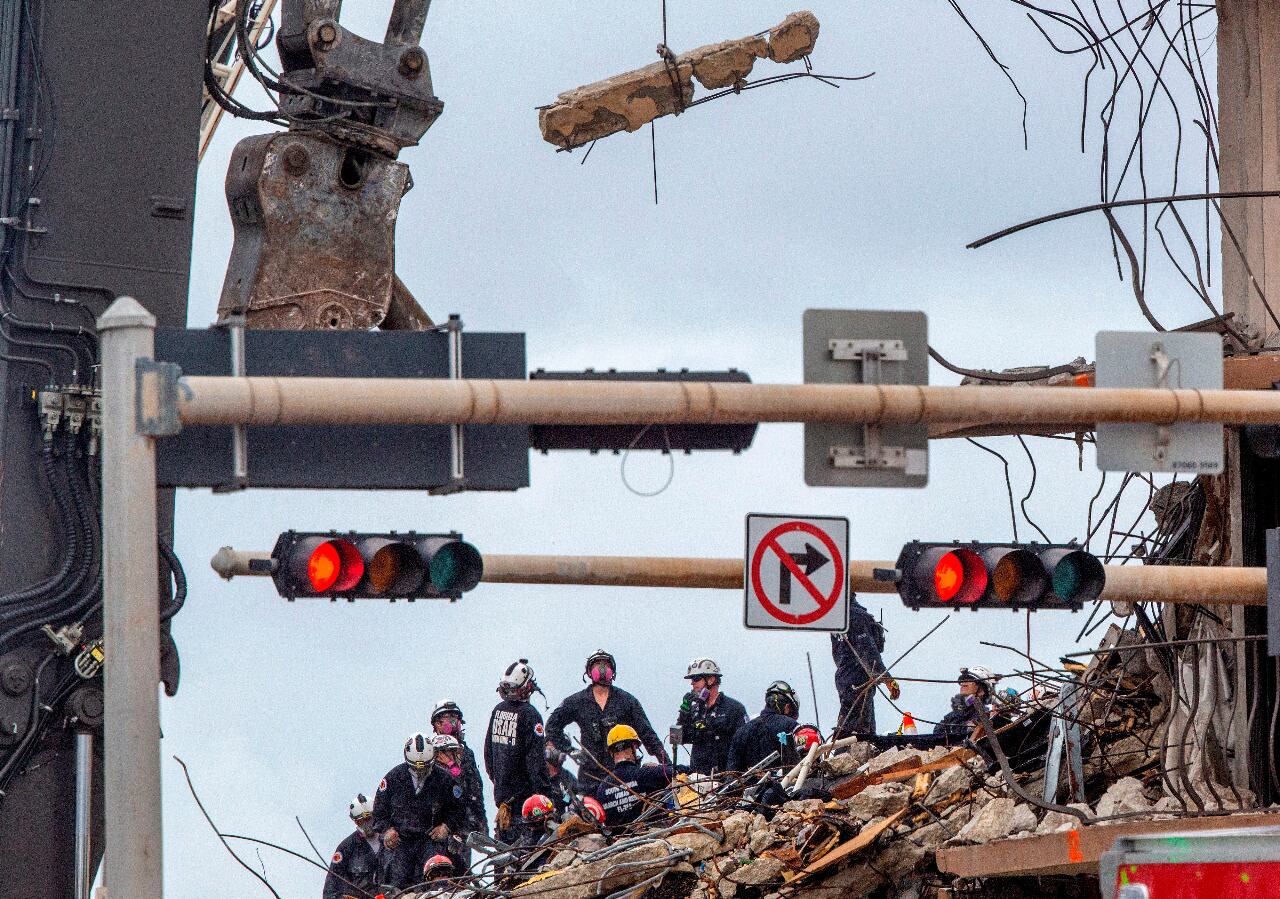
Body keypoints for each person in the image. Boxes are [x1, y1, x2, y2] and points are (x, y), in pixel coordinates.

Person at [546, 650, 668, 791]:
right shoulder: (577, 702)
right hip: (590, 777)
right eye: (597, 664)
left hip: (622, 775)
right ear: (589, 671)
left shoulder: (627, 701)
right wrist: (571, 750)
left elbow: (648, 735)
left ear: (613, 670)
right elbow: (552, 726)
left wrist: (667, 765)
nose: (602, 668)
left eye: (606, 664)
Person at [371, 732, 467, 889]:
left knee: (434, 883)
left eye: (426, 766)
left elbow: (458, 809)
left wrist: (446, 826)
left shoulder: (444, 779)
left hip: (430, 841)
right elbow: (379, 811)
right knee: (395, 885)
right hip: (400, 842)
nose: (420, 771)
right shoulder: (393, 778)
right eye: (415, 767)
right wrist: (387, 830)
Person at [485, 659, 559, 846]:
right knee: (530, 860)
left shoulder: (497, 711)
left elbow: (489, 757)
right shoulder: (530, 715)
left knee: (506, 862)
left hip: (504, 808)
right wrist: (545, 797)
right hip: (527, 810)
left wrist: (502, 787)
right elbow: (536, 762)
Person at [831, 599, 899, 738]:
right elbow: (867, 651)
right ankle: (845, 754)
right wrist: (888, 679)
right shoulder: (856, 616)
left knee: (859, 728)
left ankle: (851, 752)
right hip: (857, 678)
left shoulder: (838, 618)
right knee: (857, 732)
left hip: (846, 676)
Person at [674, 658, 748, 775]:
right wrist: (684, 713)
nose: (692, 683)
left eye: (696, 679)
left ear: (711, 679)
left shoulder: (734, 708)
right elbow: (677, 739)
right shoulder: (694, 709)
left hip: (725, 777)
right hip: (698, 778)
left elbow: (744, 744)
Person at [595, 724, 676, 827]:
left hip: (619, 840)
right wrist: (660, 767)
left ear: (611, 753)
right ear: (633, 747)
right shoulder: (646, 774)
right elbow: (681, 771)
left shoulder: (602, 788)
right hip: (652, 837)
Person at [431, 700, 488, 840]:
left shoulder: (466, 753)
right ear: (436, 724)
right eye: (449, 718)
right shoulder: (430, 753)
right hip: (438, 826)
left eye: (456, 718)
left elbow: (474, 789)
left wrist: (481, 823)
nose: (454, 723)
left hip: (463, 827)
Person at [323, 793, 393, 899]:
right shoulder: (346, 848)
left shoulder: (393, 837)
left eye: (369, 818)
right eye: (361, 821)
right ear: (355, 821)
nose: (366, 824)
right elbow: (330, 891)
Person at [727, 681, 801, 772]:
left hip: (748, 785)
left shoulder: (741, 732)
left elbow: (732, 772)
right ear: (786, 707)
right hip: (784, 784)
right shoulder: (790, 725)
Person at [933, 666, 994, 739]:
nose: (963, 683)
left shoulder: (989, 712)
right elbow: (937, 734)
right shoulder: (953, 716)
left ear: (982, 690)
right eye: (963, 681)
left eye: (970, 680)